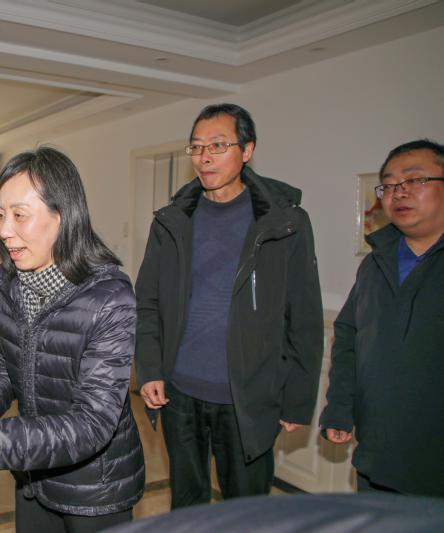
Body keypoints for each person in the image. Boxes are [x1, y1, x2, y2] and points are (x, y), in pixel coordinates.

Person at [134, 103, 324, 508]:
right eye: (197, 147)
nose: (204, 157)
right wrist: (149, 369)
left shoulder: (285, 222)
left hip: (248, 398)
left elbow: (304, 316)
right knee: (187, 506)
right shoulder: (172, 220)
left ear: (247, 150)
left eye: (218, 145)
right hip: (180, 393)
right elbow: (147, 301)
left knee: (246, 511)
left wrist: (297, 399)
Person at [0, 146, 145, 533]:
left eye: (20, 214)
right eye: (0, 214)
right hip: (33, 473)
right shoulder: (9, 283)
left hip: (95, 490)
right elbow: (2, 374)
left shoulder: (109, 297)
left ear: (63, 216)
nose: (4, 230)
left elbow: (92, 423)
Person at [320, 139, 444, 497]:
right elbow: (348, 338)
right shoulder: (375, 264)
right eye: (388, 185)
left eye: (415, 180)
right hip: (378, 460)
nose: (398, 192)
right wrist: (339, 408)